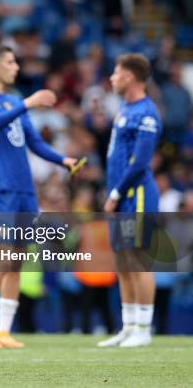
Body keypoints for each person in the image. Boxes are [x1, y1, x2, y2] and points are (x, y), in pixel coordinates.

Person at [0, 44, 78, 349]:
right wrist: (27, 103)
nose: (16, 67)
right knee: (1, 258)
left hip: (26, 192)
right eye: (11, 62)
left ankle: (2, 331)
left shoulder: (14, 101)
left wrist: (63, 160)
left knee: (17, 261)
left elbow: (35, 143)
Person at [97, 53, 161, 348]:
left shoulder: (146, 113)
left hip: (135, 196)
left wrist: (115, 193)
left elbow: (140, 162)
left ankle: (144, 329)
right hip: (120, 196)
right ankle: (129, 326)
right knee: (123, 261)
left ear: (130, 77)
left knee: (138, 261)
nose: (112, 78)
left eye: (116, 72)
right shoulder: (125, 108)